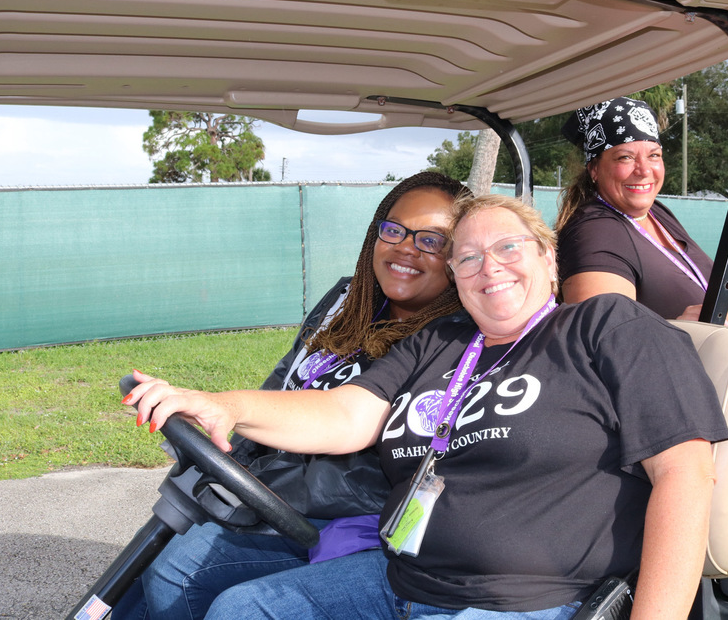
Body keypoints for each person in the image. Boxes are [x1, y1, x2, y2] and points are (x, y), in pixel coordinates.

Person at [125, 193, 728, 619]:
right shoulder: (439, 343)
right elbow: (342, 415)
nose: (487, 266)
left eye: (508, 247)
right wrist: (223, 406)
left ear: (550, 259)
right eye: (466, 257)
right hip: (399, 581)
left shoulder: (605, 326)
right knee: (243, 608)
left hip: (527, 600)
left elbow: (684, 474)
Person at [114, 171, 472, 620]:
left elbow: (366, 468)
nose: (406, 247)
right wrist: (226, 452)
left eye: (432, 240)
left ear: (458, 256)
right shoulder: (348, 299)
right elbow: (282, 382)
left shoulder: (452, 341)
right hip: (273, 492)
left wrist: (256, 487)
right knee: (145, 563)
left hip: (338, 520)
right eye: (395, 230)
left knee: (178, 571)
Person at [555, 96, 728, 328]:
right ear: (594, 169)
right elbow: (605, 341)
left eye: (654, 155)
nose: (644, 170)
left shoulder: (655, 212)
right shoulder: (594, 233)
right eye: (625, 157)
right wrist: (682, 331)